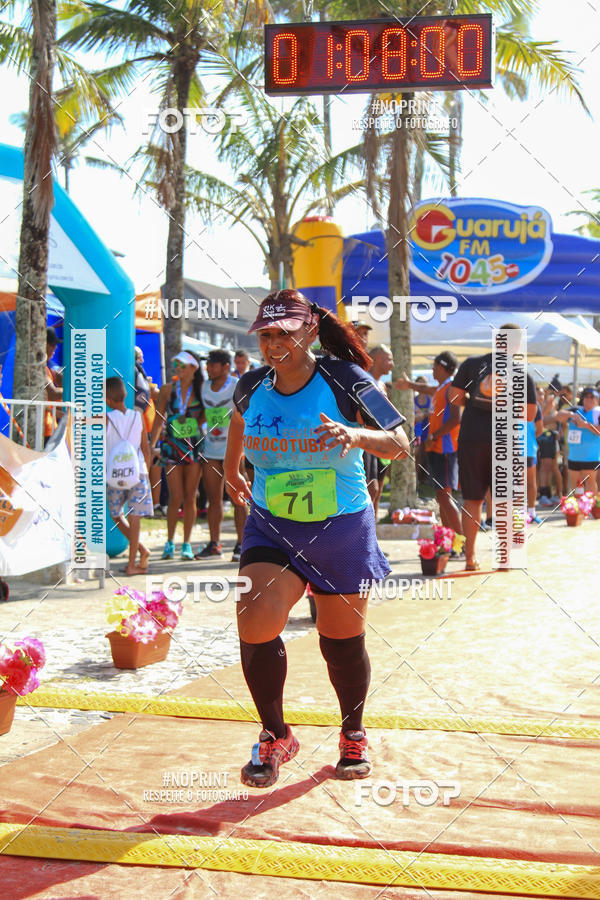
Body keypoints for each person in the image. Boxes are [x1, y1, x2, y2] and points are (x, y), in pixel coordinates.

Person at [224, 289, 409, 788]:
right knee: (253, 617)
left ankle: (352, 732)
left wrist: (357, 436)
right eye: (265, 334)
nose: (273, 343)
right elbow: (238, 422)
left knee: (340, 643)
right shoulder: (250, 384)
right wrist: (230, 467)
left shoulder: (346, 380)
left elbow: (399, 441)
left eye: (284, 332)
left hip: (340, 527)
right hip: (272, 525)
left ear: (309, 331)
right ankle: (276, 734)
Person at [450, 327, 537, 571]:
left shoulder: (471, 364)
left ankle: (470, 558)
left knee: (472, 500)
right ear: (517, 346)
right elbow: (529, 415)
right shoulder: (521, 373)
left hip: (472, 438)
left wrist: (474, 400)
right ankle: (505, 557)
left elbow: (454, 396)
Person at [396, 353, 463, 538]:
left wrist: (434, 435)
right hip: (436, 448)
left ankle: (461, 542)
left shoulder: (451, 388)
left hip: (446, 450)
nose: (432, 370)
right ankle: (448, 540)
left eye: (434, 366)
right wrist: (409, 385)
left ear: (441, 367)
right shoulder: (442, 387)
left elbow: (456, 418)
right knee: (441, 498)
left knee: (445, 497)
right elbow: (426, 388)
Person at [150, 351, 204, 560]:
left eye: (182, 365)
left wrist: (196, 426)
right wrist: (151, 445)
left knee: (191, 496)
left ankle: (187, 544)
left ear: (193, 368)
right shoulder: (166, 389)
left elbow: (207, 416)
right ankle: (170, 541)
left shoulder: (201, 389)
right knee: (175, 496)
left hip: (194, 446)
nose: (178, 368)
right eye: (176, 364)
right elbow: (158, 418)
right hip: (172, 446)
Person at [195, 349, 247, 561]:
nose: (208, 368)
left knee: (238, 499)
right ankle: (214, 545)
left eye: (213, 365)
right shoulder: (204, 386)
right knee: (213, 500)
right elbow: (201, 414)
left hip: (233, 450)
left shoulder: (237, 385)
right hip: (210, 450)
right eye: (207, 365)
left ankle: (242, 544)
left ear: (226, 366)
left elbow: (246, 413)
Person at [106, 376, 153, 575]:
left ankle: (136, 558)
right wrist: (147, 470)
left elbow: (84, 421)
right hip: (139, 470)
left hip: (116, 473)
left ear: (107, 400)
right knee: (135, 517)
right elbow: (146, 446)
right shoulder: (138, 416)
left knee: (116, 514)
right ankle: (136, 557)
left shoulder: (106, 418)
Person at [364, 344, 394, 517]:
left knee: (377, 489)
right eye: (388, 359)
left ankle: (373, 533)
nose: (392, 363)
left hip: (381, 439)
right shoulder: (365, 381)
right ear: (374, 360)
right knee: (371, 488)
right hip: (367, 440)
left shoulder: (381, 385)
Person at [555, 387, 600, 492]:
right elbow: (558, 416)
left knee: (590, 483)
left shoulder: (597, 413)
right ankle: (577, 507)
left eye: (592, 397)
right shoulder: (576, 410)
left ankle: (591, 507)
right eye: (586, 396)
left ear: (597, 399)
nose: (589, 399)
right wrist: (571, 415)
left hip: (591, 457)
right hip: (574, 456)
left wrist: (585, 425)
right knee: (575, 485)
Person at [44, 327, 63, 445]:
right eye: (52, 344)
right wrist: (74, 389)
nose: (55, 348)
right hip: (41, 430)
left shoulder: (49, 370)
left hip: (51, 428)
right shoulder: (38, 369)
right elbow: (53, 393)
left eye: (56, 344)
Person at [526, 402, 543, 524]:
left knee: (530, 482)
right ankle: (517, 514)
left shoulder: (535, 405)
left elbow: (540, 429)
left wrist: (529, 437)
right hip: (509, 450)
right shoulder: (505, 401)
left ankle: (531, 512)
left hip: (528, 449)